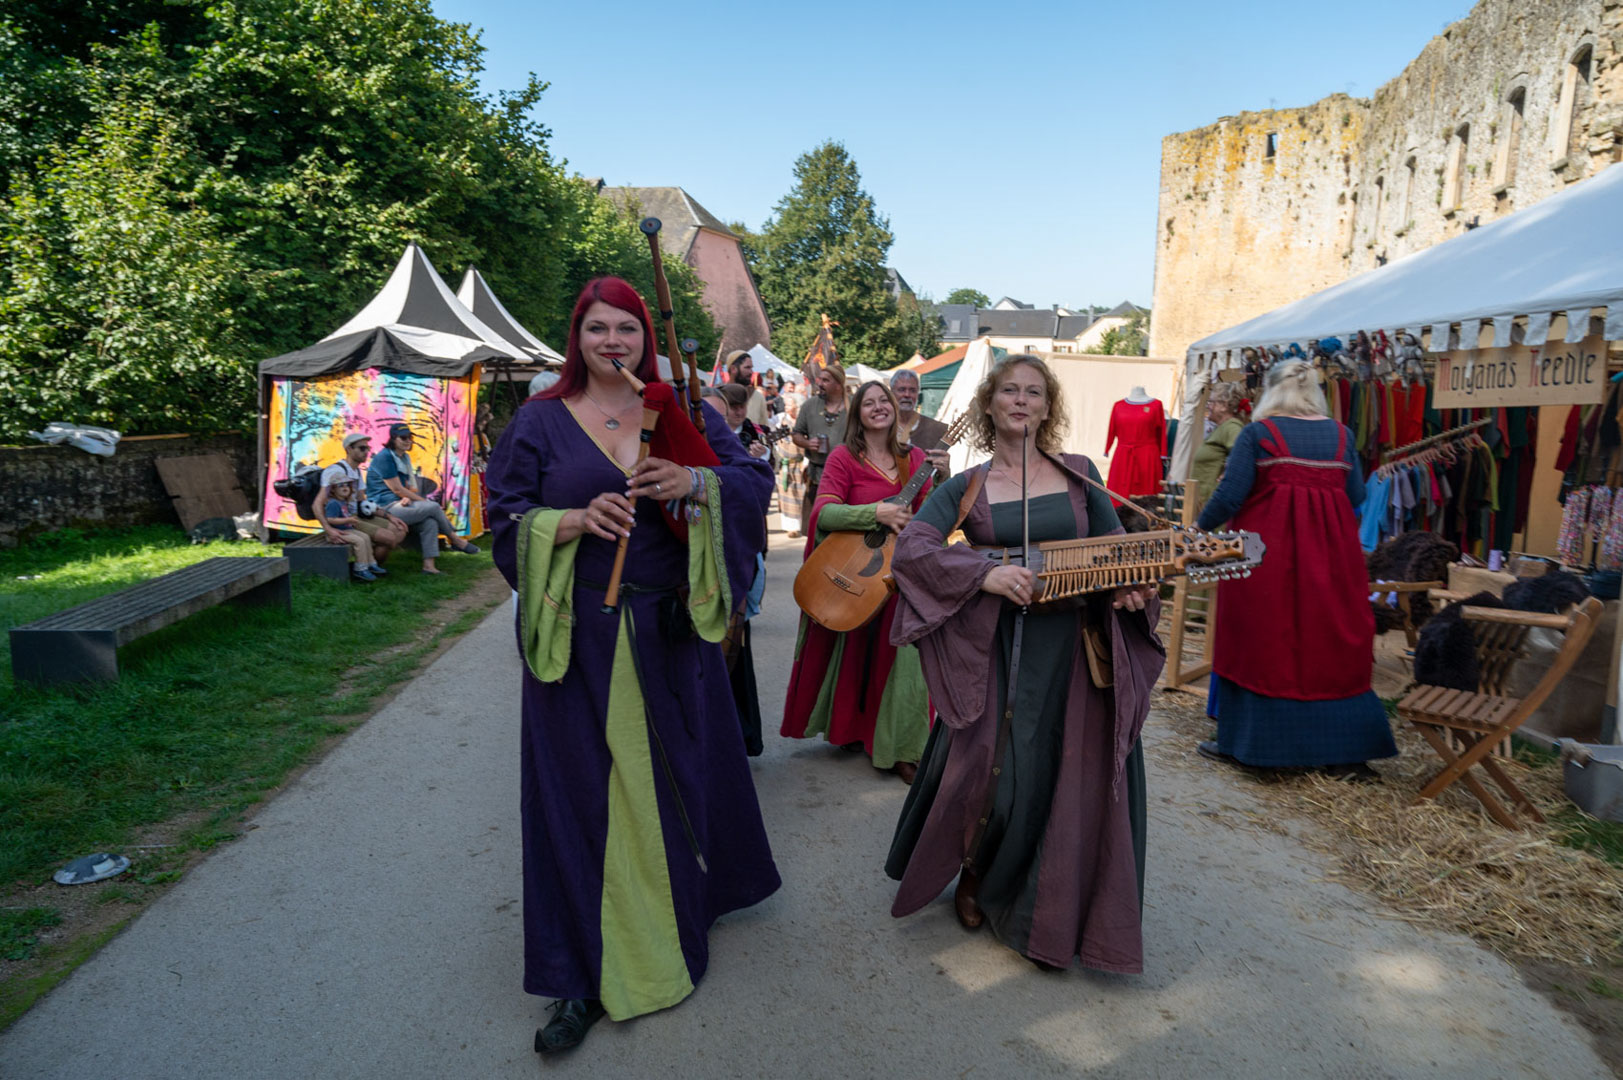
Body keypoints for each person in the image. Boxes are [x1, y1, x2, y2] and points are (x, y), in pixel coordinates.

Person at [485, 276, 780, 1055]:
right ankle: (579, 975)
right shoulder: (539, 421)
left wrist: (693, 481)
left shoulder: (676, 410)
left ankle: (677, 917)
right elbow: (503, 516)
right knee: (580, 796)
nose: (612, 341)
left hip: (667, 634)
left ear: (646, 338)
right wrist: (571, 521)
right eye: (597, 328)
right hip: (577, 638)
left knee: (671, 782)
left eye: (626, 328)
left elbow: (751, 481)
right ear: (576, 337)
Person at [885, 353, 1163, 974]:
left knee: (1061, 777)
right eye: (1009, 390)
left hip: (1071, 654)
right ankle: (975, 872)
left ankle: (1047, 908)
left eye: (1034, 392)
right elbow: (913, 549)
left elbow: (1116, 550)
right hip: (995, 652)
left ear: (1048, 406)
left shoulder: (1081, 475)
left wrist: (1131, 587)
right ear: (989, 404)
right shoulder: (967, 485)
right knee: (993, 774)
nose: (1021, 400)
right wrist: (983, 574)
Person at [1194, 360, 1395, 781]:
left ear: (1271, 391)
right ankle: (1343, 753)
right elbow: (1355, 494)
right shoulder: (1342, 436)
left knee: (1262, 643)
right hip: (1333, 561)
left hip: (1266, 560)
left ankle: (1257, 748)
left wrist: (1198, 530)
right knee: (1331, 643)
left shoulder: (1259, 434)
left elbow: (1230, 496)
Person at [782, 380, 932, 784]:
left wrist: (926, 510)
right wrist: (875, 513)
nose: (879, 407)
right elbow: (824, 514)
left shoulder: (915, 458)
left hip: (901, 572)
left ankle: (902, 748)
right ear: (858, 413)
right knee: (853, 653)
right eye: (870, 403)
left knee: (904, 658)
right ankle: (852, 729)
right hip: (857, 570)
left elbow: (930, 518)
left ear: (896, 408)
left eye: (885, 400)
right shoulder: (844, 458)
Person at [367, 423, 481, 575]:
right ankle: (455, 539)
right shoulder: (385, 457)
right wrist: (418, 500)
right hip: (383, 508)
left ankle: (429, 566)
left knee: (430, 522)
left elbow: (408, 487)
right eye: (403, 438)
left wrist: (407, 497)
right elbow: (396, 489)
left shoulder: (404, 457)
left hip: (397, 504)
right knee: (432, 507)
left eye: (410, 437)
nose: (408, 441)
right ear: (393, 439)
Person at [317, 432, 404, 567]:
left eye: (368, 448)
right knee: (389, 538)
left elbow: (363, 503)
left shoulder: (356, 471)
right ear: (349, 449)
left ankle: (371, 563)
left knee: (400, 529)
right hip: (343, 521)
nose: (366, 452)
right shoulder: (335, 471)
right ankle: (366, 566)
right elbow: (317, 504)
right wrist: (328, 529)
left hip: (356, 516)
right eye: (362, 448)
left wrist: (389, 516)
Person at [789, 362, 847, 545]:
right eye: (820, 379)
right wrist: (807, 443)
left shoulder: (854, 406)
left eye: (825, 380)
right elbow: (796, 434)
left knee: (841, 534)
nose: (819, 383)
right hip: (816, 478)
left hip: (845, 479)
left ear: (838, 384)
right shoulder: (810, 405)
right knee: (815, 535)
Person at [1189, 381, 1248, 511]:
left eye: (1211, 402)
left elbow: (1241, 457)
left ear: (1224, 406)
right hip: (1203, 503)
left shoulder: (1232, 427)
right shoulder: (1223, 428)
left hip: (1211, 505)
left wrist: (1227, 474)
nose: (1208, 406)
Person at [890, 368, 951, 480]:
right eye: (902, 390)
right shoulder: (879, 427)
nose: (907, 395)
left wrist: (945, 473)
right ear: (891, 393)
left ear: (918, 394)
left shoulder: (936, 429)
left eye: (912, 390)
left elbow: (940, 478)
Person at [321, 480, 386, 581]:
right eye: (340, 485)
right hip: (337, 532)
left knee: (366, 537)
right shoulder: (333, 503)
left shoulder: (343, 501)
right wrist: (348, 520)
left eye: (347, 485)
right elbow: (330, 519)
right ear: (333, 489)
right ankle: (360, 569)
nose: (345, 487)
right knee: (359, 541)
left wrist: (350, 521)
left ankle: (371, 563)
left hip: (346, 529)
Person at [726, 349, 769, 425]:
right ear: (733, 369)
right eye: (747, 367)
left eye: (751, 368)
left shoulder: (757, 397)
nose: (751, 372)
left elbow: (764, 428)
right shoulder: (718, 396)